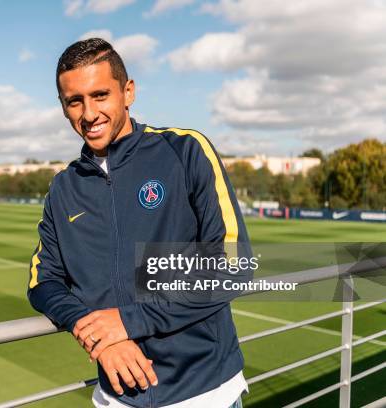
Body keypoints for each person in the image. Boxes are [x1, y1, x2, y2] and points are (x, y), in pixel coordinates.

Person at [27, 38, 251, 408]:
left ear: (128, 92)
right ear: (63, 106)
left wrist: (128, 322)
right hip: (117, 398)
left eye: (100, 95)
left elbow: (231, 264)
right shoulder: (64, 187)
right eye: (75, 101)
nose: (89, 113)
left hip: (205, 393)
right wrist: (100, 336)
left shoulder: (185, 151)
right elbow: (42, 282)